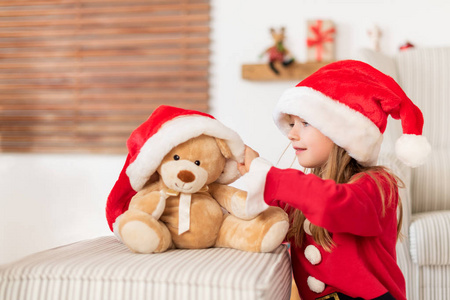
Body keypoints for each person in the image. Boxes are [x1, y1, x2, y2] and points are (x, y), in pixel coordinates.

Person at [238, 60, 431, 300]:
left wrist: (266, 174)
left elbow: (332, 204)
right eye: (292, 123)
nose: (291, 133)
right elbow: (267, 217)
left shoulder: (378, 186)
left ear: (341, 134)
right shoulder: (303, 195)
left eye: (305, 123)